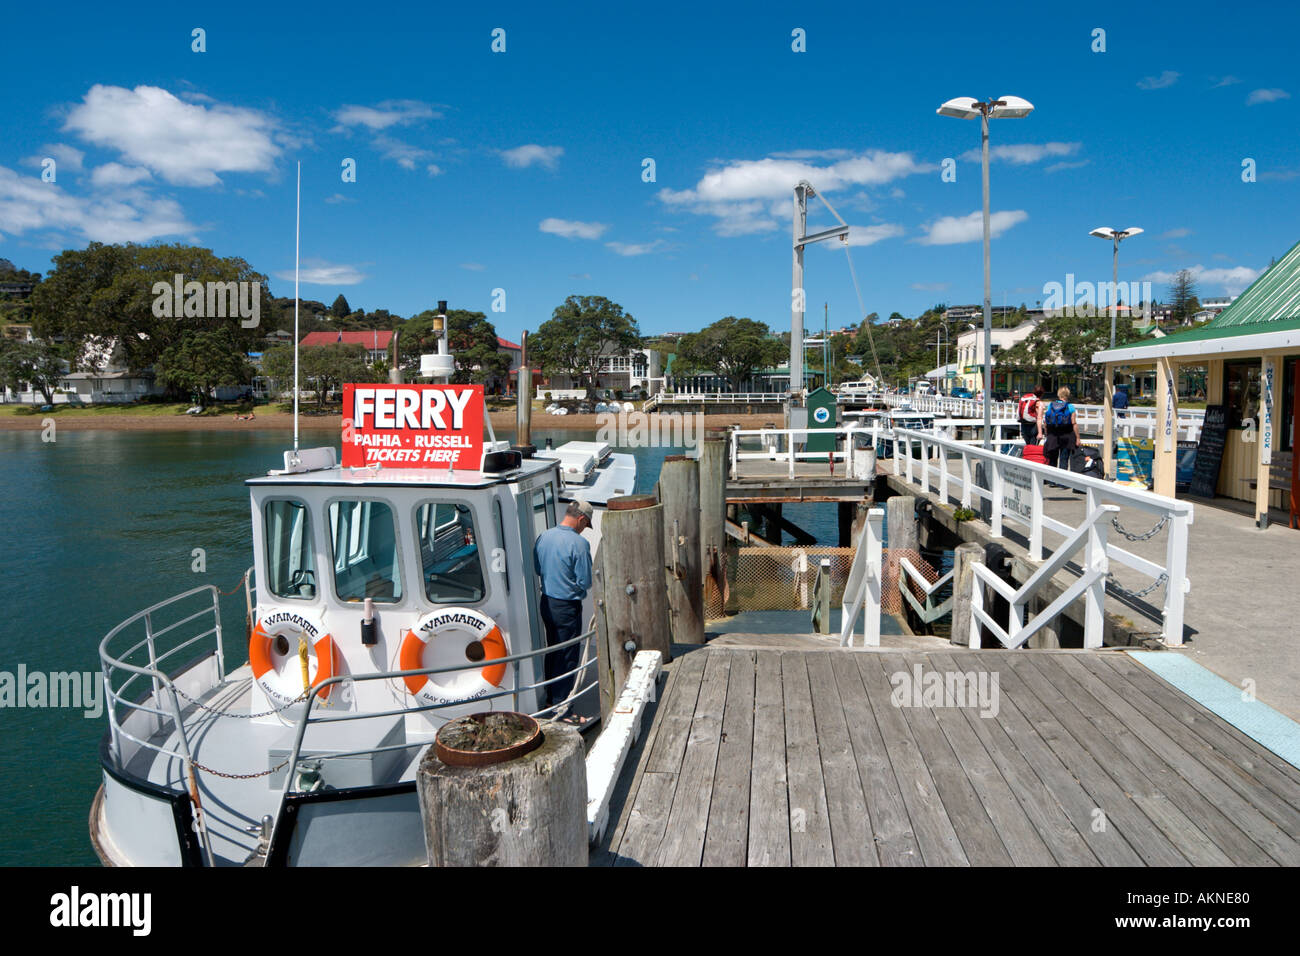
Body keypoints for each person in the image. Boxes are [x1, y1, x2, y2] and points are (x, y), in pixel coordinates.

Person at [533, 498, 593, 720]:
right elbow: (585, 581)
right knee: (568, 656)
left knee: (553, 650)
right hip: (567, 606)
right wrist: (574, 586)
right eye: (586, 525)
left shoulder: (544, 537)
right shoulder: (578, 544)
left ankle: (551, 697)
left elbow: (538, 568)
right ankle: (562, 707)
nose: (584, 530)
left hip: (547, 602)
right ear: (581, 519)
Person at [1040, 386, 1080, 483]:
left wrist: (1046, 433)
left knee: (1053, 458)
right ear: (1068, 395)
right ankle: (1062, 482)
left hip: (1053, 435)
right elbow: (1074, 423)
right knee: (1064, 458)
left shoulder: (1051, 405)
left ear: (1058, 394)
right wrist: (1078, 437)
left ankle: (1052, 481)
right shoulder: (1070, 407)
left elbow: (1046, 421)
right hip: (1067, 435)